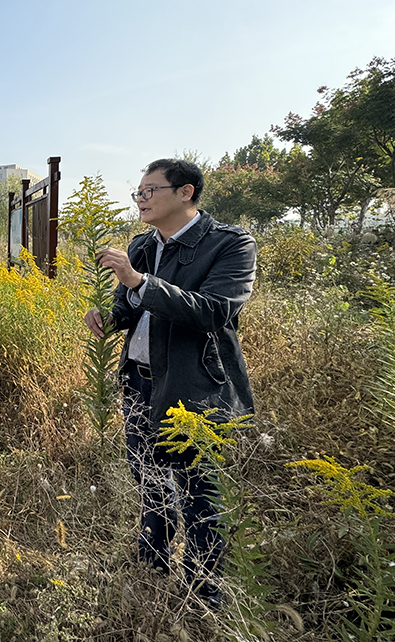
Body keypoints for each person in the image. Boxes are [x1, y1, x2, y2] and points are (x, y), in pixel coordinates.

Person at [84, 158, 256, 605]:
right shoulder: (143, 244)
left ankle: (203, 589)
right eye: (137, 193)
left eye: (149, 191)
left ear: (185, 192)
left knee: (198, 491)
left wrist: (140, 281)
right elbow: (131, 306)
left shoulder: (228, 243)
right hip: (139, 382)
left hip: (194, 386)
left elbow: (215, 311)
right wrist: (111, 316)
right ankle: (151, 560)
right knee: (148, 478)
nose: (141, 200)